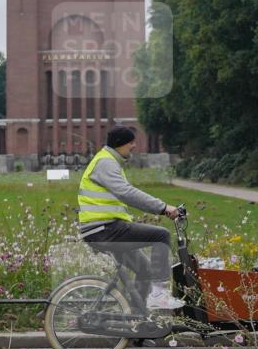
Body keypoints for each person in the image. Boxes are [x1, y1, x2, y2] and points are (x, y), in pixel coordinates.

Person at [77, 126, 183, 310]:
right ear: (119, 144)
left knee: (145, 270)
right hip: (105, 230)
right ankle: (158, 295)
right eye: (131, 142)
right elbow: (126, 193)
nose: (134, 146)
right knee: (161, 236)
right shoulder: (105, 163)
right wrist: (163, 208)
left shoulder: (109, 161)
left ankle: (138, 319)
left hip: (105, 229)